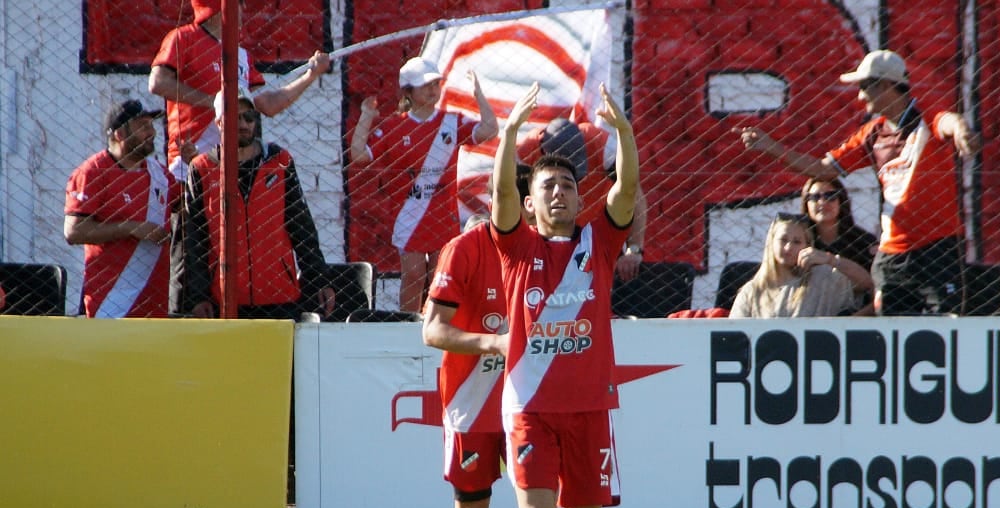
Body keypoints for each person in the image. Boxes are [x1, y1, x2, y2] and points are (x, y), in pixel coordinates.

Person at [487, 81, 638, 508]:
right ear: (530, 203)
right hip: (529, 406)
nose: (558, 193)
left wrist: (622, 133)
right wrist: (505, 137)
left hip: (590, 409)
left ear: (580, 200)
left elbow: (626, 190)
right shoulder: (517, 247)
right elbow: (501, 191)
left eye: (569, 186)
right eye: (547, 186)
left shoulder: (599, 242)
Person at [735, 49, 980, 315]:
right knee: (889, 331)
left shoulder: (927, 120)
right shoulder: (871, 133)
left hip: (938, 248)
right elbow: (823, 169)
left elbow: (949, 122)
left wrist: (962, 131)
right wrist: (770, 147)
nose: (860, 95)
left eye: (865, 87)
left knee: (949, 325)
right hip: (892, 253)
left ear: (886, 85)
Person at [422, 214, 523, 508]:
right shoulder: (465, 247)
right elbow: (432, 330)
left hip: (530, 399)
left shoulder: (546, 247)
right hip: (472, 401)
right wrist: (492, 342)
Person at [348, 58, 497, 313]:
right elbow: (359, 153)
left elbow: (489, 130)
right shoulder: (395, 126)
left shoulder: (452, 121)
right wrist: (366, 117)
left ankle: (438, 325)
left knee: (441, 275)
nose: (432, 90)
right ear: (408, 92)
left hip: (443, 215)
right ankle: (408, 326)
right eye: (424, 85)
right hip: (409, 214)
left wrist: (479, 96)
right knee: (414, 274)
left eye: (436, 84)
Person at [172, 90, 334, 319]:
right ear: (219, 122)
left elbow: (301, 225)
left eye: (249, 117)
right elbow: (194, 240)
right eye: (235, 117)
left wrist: (319, 280)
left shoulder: (279, 161)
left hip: (279, 296)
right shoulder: (201, 169)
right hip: (225, 300)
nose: (244, 124)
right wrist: (197, 297)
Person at [148, 0, 330, 180]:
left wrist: (310, 76)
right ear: (217, 8)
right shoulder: (184, 37)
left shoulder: (240, 55)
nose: (242, 8)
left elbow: (267, 105)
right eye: (239, 3)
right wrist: (217, 102)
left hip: (234, 165)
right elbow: (158, 82)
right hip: (188, 160)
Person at [64, 99, 181, 318]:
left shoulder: (159, 174)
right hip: (110, 301)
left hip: (155, 303)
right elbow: (74, 231)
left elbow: (184, 205)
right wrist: (132, 228)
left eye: (151, 125)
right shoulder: (93, 172)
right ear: (119, 134)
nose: (151, 132)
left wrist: (192, 164)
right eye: (142, 126)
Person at [517, 118, 648, 283]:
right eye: (551, 184)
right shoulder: (525, 153)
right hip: (545, 245)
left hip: (598, 238)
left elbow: (632, 191)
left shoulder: (601, 142)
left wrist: (634, 249)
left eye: (568, 182)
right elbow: (514, 206)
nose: (560, 191)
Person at [729, 213, 871, 318]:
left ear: (807, 246)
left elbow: (866, 283)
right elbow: (734, 336)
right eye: (783, 240)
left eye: (797, 242)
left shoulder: (824, 279)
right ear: (771, 243)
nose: (788, 247)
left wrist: (831, 259)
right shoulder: (752, 292)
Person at [799, 177, 877, 273]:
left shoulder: (864, 241)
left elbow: (872, 282)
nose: (822, 202)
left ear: (841, 201)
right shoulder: (798, 240)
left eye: (830, 196)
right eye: (815, 197)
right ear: (806, 204)